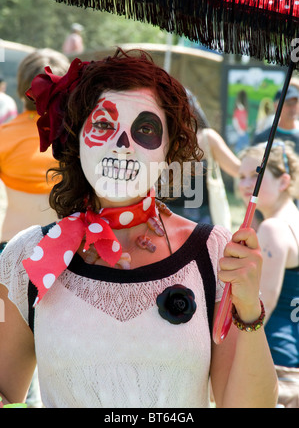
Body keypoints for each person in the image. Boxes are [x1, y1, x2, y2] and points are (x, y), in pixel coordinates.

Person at [0, 48, 277, 408]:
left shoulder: (214, 255)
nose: (122, 146)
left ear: (168, 148)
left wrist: (249, 310)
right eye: (103, 124)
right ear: (75, 135)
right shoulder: (31, 257)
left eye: (145, 128)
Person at [238, 141, 299, 408]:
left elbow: (261, 307)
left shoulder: (273, 228)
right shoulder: (291, 221)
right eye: (241, 176)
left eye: (256, 174)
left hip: (276, 364)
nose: (245, 184)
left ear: (284, 181)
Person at [0, 49, 70, 250]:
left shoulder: (4, 135)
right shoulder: (78, 139)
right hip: (64, 250)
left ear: (22, 87)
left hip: (11, 246)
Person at [166, 90, 240, 229]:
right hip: (168, 221)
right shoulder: (160, 140)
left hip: (202, 223)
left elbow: (238, 170)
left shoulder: (207, 139)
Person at [252, 85, 299, 153]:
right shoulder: (263, 138)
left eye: (295, 103)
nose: (293, 108)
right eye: (288, 104)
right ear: (276, 106)